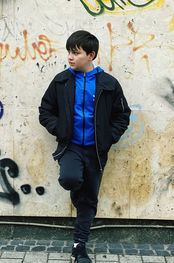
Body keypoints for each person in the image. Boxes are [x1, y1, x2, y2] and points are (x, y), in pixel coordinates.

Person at [39, 30, 131, 263]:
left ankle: (79, 247)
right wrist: (59, 129)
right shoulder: (61, 81)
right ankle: (80, 202)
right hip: (70, 147)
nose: (70, 57)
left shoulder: (108, 84)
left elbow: (122, 115)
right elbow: (45, 110)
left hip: (96, 152)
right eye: (69, 51)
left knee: (89, 200)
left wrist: (109, 137)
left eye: (76, 53)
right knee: (70, 179)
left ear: (91, 55)